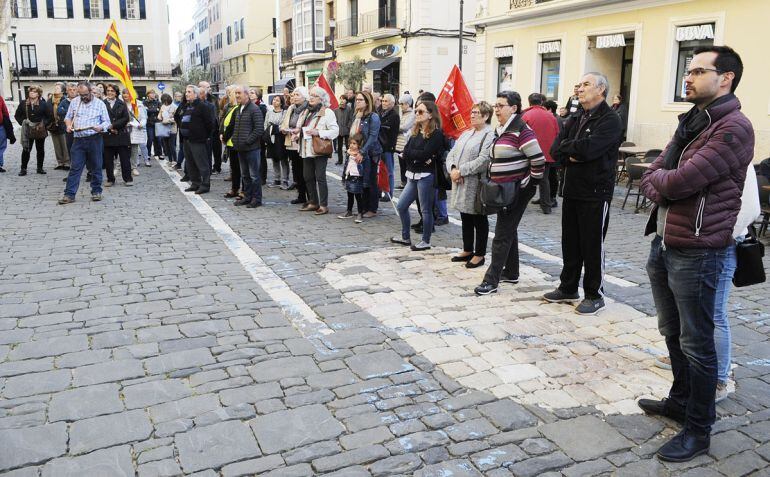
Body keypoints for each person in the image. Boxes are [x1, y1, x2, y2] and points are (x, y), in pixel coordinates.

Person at [637, 46, 754, 463]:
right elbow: (656, 171)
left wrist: (658, 179)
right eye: (687, 70)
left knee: (698, 344)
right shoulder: (692, 122)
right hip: (666, 244)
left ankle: (698, 430)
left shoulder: (733, 128)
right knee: (672, 331)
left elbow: (676, 182)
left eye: (698, 71)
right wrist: (659, 178)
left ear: (726, 79)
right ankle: (679, 400)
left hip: (701, 252)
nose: (687, 77)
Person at [543, 72, 621, 313]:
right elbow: (555, 150)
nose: (580, 88)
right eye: (579, 84)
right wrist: (572, 152)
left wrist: (575, 151)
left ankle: (594, 294)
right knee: (571, 242)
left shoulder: (610, 119)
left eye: (586, 84)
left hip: (596, 191)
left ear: (601, 90)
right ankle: (568, 287)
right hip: (572, 190)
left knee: (591, 244)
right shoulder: (575, 118)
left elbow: (590, 150)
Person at [473, 92, 545, 295]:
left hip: (517, 190)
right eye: (495, 105)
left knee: (502, 233)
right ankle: (512, 272)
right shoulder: (502, 129)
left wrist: (527, 183)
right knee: (508, 227)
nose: (496, 109)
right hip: (503, 189)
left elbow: (538, 160)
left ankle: (491, 281)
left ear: (513, 108)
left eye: (500, 106)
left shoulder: (522, 129)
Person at [446, 101, 495, 269]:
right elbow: (451, 153)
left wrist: (462, 171)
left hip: (475, 183)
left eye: (476, 113)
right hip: (460, 181)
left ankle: (480, 253)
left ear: (486, 116)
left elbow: (484, 159)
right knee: (465, 216)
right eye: (472, 112)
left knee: (478, 217)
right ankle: (467, 249)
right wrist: (452, 169)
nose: (472, 115)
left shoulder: (489, 135)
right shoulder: (467, 133)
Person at [391, 101, 445, 251]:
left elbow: (425, 154)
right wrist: (414, 155)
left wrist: (412, 155)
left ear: (430, 114)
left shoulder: (436, 134)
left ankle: (425, 241)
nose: (417, 114)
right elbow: (406, 150)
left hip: (426, 176)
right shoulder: (415, 132)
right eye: (416, 111)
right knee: (401, 206)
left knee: (426, 210)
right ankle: (405, 237)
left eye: (420, 112)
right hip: (412, 174)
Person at [59, 81, 111, 204]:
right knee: (75, 167)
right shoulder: (74, 102)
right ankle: (69, 194)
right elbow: (68, 117)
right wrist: (68, 125)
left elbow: (107, 122)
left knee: (96, 166)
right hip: (78, 139)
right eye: (81, 95)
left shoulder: (100, 104)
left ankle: (96, 191)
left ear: (91, 91)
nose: (84, 97)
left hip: (94, 138)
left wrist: (100, 127)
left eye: (86, 95)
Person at [298, 87, 339, 215]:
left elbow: (335, 131)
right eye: (310, 95)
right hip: (306, 149)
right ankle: (313, 202)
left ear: (322, 99)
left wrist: (319, 132)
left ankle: (323, 204)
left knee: (320, 177)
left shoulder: (327, 112)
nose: (311, 98)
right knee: (307, 176)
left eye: (314, 96)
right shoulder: (306, 112)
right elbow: (303, 128)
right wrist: (296, 133)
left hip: (319, 149)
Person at [523, 93, 559, 214]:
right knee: (544, 180)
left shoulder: (526, 115)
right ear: (541, 102)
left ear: (529, 102)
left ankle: (521, 203)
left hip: (530, 152)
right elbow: (557, 133)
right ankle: (546, 206)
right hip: (547, 153)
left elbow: (521, 134)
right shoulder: (551, 116)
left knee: (525, 177)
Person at [232, 85, 265, 208]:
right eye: (236, 93)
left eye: (239, 93)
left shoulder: (254, 109)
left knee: (254, 176)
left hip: (252, 148)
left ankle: (256, 199)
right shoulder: (238, 108)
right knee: (245, 175)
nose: (237, 95)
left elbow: (259, 129)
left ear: (246, 94)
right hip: (240, 148)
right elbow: (237, 127)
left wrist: (247, 141)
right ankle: (247, 196)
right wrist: (235, 140)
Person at [180, 84, 217, 194]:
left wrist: (205, 136)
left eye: (189, 92)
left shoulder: (202, 106)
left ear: (195, 94)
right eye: (186, 92)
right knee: (191, 163)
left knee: (202, 163)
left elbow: (210, 123)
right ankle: (195, 183)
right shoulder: (187, 106)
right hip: (187, 140)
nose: (186, 94)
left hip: (197, 140)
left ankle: (205, 185)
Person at [351, 91, 382, 218]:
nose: (357, 101)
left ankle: (372, 208)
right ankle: (363, 207)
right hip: (359, 151)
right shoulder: (358, 116)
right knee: (361, 180)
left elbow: (373, 137)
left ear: (367, 102)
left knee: (371, 181)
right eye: (356, 99)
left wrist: (362, 152)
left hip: (371, 153)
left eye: (360, 100)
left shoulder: (373, 117)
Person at [280, 87, 310, 205]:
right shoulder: (291, 108)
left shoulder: (307, 109)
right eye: (293, 95)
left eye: (297, 95)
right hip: (291, 141)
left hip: (302, 142)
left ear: (304, 97)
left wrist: (298, 131)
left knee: (305, 171)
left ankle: (309, 196)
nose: (294, 97)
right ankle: (301, 195)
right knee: (296, 170)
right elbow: (285, 122)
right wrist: (283, 129)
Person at [14, 85, 50, 176]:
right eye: (30, 91)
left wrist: (43, 124)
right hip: (27, 129)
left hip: (40, 129)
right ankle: (23, 168)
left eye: (34, 91)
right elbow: (17, 115)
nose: (31, 93)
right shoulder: (23, 103)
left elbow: (49, 117)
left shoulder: (43, 104)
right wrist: (23, 122)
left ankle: (40, 168)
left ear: (38, 94)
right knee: (26, 149)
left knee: (40, 149)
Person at [102, 83, 133, 187]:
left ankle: (128, 178)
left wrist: (113, 126)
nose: (110, 93)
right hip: (107, 136)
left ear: (116, 93)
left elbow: (125, 118)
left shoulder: (121, 103)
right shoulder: (102, 103)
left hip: (121, 135)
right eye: (108, 91)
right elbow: (99, 118)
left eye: (112, 91)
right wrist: (109, 129)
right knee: (108, 160)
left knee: (125, 159)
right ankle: (110, 179)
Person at [338, 133, 365, 222]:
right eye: (351, 143)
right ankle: (349, 211)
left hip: (357, 176)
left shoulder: (361, 155)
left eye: (354, 144)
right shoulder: (348, 153)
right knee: (349, 194)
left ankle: (360, 213)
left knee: (358, 196)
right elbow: (346, 165)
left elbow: (362, 166)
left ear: (359, 145)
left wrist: (355, 157)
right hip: (349, 175)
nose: (352, 145)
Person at [219, 86, 240, 198]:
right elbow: (224, 122)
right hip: (230, 143)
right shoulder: (231, 108)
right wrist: (222, 133)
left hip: (236, 143)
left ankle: (240, 190)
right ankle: (234, 188)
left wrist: (225, 136)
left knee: (239, 169)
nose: (229, 96)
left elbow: (232, 126)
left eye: (230, 94)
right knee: (234, 168)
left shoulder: (238, 109)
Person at [265, 95, 289, 189]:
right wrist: (267, 134)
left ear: (281, 102)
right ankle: (277, 179)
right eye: (274, 100)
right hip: (271, 138)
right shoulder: (269, 112)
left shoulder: (284, 112)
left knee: (283, 159)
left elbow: (283, 124)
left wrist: (275, 128)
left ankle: (285, 180)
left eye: (277, 100)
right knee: (274, 159)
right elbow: (266, 124)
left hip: (281, 138)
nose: (275, 101)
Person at [378, 93, 400, 199]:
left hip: (387, 147)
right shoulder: (380, 112)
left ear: (392, 103)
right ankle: (380, 192)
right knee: (379, 170)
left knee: (389, 171)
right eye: (382, 101)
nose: (383, 103)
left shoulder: (394, 115)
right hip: (379, 146)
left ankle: (389, 194)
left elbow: (386, 128)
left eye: (386, 101)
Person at [198, 81, 222, 175]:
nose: (210, 88)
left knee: (217, 148)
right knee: (207, 149)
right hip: (205, 128)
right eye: (207, 87)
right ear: (201, 88)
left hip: (215, 126)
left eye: (209, 87)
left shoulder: (213, 98)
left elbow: (217, 111)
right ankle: (207, 168)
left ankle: (217, 167)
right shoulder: (199, 99)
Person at [48, 83, 70, 170]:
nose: (56, 89)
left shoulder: (64, 99)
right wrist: (48, 123)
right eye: (55, 87)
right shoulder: (50, 100)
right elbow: (47, 111)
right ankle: (60, 162)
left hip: (63, 125)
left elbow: (66, 111)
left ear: (62, 90)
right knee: (56, 145)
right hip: (53, 126)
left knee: (64, 145)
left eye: (58, 88)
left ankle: (67, 162)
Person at [395, 94, 415, 189]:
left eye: (402, 104)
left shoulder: (412, 114)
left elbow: (405, 127)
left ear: (408, 104)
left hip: (405, 144)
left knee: (406, 164)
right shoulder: (404, 114)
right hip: (400, 144)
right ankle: (403, 182)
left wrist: (395, 128)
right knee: (402, 165)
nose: (401, 106)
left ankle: (408, 183)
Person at [127, 92, 149, 176]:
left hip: (135, 129)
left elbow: (143, 118)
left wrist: (141, 124)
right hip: (124, 129)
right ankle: (118, 168)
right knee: (122, 149)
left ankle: (134, 168)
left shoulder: (139, 105)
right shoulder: (121, 104)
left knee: (134, 149)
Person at [334, 95, 354, 165]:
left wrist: (348, 127)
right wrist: (336, 128)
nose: (342, 100)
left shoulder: (349, 109)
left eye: (344, 99)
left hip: (347, 131)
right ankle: (340, 160)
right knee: (339, 147)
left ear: (346, 100)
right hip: (339, 131)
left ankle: (348, 160)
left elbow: (351, 119)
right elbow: (334, 120)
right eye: (341, 99)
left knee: (348, 147)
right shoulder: (336, 110)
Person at [0, 94, 17, 173]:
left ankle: (0, 164)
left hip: (1, 126)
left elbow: (5, 111)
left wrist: (7, 123)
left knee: (2, 145)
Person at [159, 93, 178, 163]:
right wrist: (161, 117)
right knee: (166, 146)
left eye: (166, 101)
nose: (165, 103)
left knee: (172, 146)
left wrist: (169, 120)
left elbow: (177, 118)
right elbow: (159, 116)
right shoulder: (163, 106)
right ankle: (170, 160)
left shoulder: (174, 107)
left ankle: (175, 160)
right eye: (164, 101)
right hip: (164, 128)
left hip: (172, 128)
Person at [144, 90, 161, 159]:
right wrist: (155, 109)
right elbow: (145, 111)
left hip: (157, 122)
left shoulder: (158, 102)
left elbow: (160, 110)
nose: (153, 94)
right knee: (150, 139)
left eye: (154, 93)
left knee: (158, 139)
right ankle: (148, 154)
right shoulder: (145, 102)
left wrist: (150, 109)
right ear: (148, 95)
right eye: (152, 93)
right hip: (149, 123)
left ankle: (159, 153)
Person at [61, 82, 78, 153]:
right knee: (70, 148)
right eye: (70, 90)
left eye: (74, 90)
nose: (72, 91)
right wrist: (70, 111)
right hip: (69, 129)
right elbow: (59, 111)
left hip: (79, 128)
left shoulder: (80, 101)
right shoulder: (64, 101)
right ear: (67, 91)